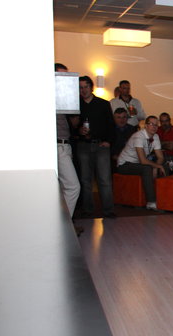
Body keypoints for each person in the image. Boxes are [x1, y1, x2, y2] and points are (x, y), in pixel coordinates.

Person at [77, 75, 116, 218]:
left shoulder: (103, 104)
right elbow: (72, 126)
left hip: (101, 145)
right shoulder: (77, 105)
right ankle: (88, 209)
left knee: (104, 179)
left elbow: (111, 125)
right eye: (81, 88)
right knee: (85, 179)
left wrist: (109, 141)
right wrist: (78, 131)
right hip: (83, 145)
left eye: (86, 87)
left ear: (91, 87)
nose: (83, 90)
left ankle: (108, 210)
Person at [116, 115, 167, 211]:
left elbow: (160, 157)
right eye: (151, 124)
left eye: (156, 125)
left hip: (137, 164)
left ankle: (164, 199)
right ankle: (151, 202)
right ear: (146, 126)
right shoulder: (139, 136)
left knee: (164, 166)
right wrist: (156, 165)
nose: (154, 127)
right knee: (146, 168)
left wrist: (157, 166)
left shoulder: (155, 136)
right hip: (124, 164)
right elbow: (143, 160)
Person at [54, 63, 80, 219]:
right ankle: (64, 224)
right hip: (58, 145)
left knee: (65, 188)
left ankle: (62, 223)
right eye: (62, 75)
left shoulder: (62, 97)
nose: (66, 79)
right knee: (73, 187)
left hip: (64, 144)